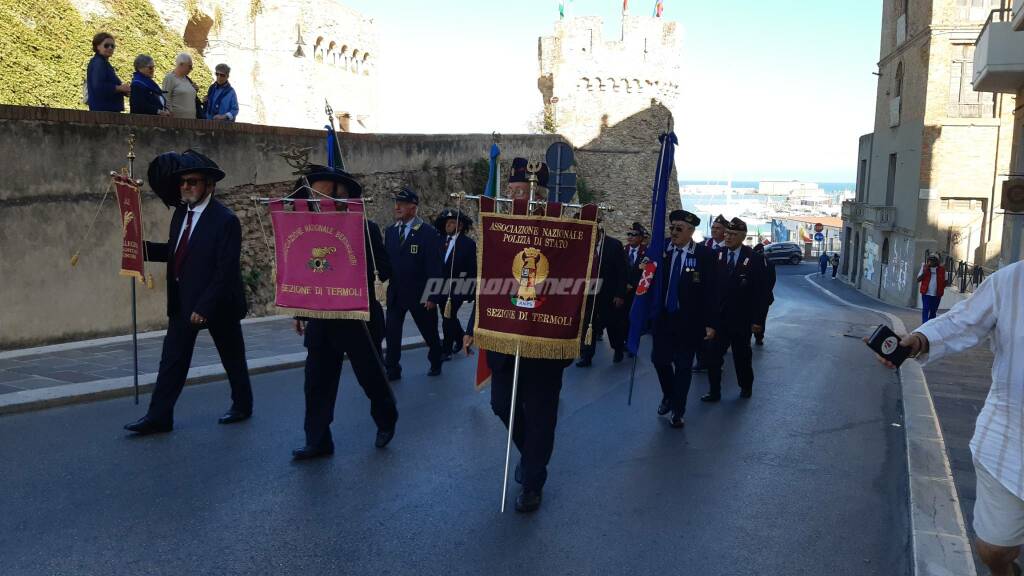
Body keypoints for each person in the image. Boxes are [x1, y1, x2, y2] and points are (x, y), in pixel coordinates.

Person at [874, 261, 1024, 576]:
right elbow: (963, 321)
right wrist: (920, 339)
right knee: (993, 548)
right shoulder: (1009, 281)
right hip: (1009, 440)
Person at [461, 159, 573, 513]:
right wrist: (471, 329)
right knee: (500, 404)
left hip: (544, 341)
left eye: (518, 193)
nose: (511, 198)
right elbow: (488, 282)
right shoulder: (499, 230)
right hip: (505, 338)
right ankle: (532, 455)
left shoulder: (563, 230)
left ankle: (533, 482)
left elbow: (573, 286)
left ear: (536, 195)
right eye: (509, 192)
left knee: (541, 413)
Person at [124, 150, 252, 435]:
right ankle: (159, 417)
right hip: (183, 301)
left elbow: (225, 270)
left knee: (232, 357)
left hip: (217, 303)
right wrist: (140, 249)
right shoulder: (181, 213)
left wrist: (205, 307)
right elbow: (177, 252)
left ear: (209, 185)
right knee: (172, 361)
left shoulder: (225, 220)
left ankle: (242, 405)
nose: (186, 187)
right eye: (183, 182)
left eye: (192, 182)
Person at [290, 165, 398, 460]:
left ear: (342, 196)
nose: (317, 199)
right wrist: (300, 311)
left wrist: (353, 274)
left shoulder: (366, 228)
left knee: (371, 377)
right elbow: (301, 274)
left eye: (323, 193)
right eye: (314, 193)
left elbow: (384, 270)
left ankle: (386, 419)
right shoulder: (306, 230)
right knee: (316, 383)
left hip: (358, 318)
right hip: (322, 320)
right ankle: (318, 440)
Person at [651, 210, 717, 427]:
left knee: (683, 366)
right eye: (672, 228)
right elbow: (644, 279)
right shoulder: (660, 251)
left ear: (690, 231)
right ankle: (669, 394)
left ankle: (678, 410)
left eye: (679, 228)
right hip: (663, 318)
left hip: (689, 321)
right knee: (659, 360)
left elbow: (711, 292)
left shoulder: (704, 256)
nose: (674, 232)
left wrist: (710, 323)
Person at [704, 217, 769, 402]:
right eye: (727, 233)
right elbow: (710, 289)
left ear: (742, 236)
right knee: (713, 357)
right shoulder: (717, 255)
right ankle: (714, 391)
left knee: (742, 357)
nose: (728, 237)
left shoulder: (754, 258)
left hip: (742, 319)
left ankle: (746, 386)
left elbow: (761, 293)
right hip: (719, 319)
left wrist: (758, 321)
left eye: (733, 234)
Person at [383, 187, 445, 380]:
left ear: (413, 207)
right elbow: (388, 261)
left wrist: (433, 295)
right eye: (396, 203)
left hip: (421, 295)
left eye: (401, 204)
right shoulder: (390, 232)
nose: (397, 207)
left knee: (430, 334)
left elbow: (435, 267)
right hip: (396, 294)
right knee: (392, 335)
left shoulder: (428, 233)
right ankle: (392, 368)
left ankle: (436, 360)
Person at [577, 225, 627, 367]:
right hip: (590, 292)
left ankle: (618, 349)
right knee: (588, 324)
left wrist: (620, 294)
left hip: (609, 293)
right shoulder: (584, 244)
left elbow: (622, 271)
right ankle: (586, 356)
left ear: (599, 231)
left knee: (612, 324)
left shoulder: (614, 245)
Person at [435, 208, 477, 358]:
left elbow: (472, 268)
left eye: (452, 223)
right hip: (439, 285)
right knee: (447, 315)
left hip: (458, 287)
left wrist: (470, 290)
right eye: (447, 223)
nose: (448, 225)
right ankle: (459, 337)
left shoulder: (468, 244)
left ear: (459, 226)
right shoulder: (439, 240)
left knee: (448, 316)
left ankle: (446, 350)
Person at [86, 32, 129, 112]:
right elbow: (98, 86)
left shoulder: (104, 63)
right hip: (103, 111)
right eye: (106, 45)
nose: (110, 48)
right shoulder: (98, 63)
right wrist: (120, 88)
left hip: (107, 110)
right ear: (98, 46)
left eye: (112, 46)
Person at [623, 222, 647, 357]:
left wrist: (633, 284)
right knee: (622, 320)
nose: (631, 237)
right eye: (629, 234)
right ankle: (623, 343)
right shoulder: (622, 250)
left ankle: (632, 345)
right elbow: (620, 271)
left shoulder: (646, 252)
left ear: (640, 238)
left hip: (638, 292)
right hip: (623, 292)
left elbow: (646, 274)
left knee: (635, 319)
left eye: (634, 235)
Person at [751, 243, 776, 346]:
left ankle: (758, 337)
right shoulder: (769, 263)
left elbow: (772, 281)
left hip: (761, 297)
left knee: (757, 317)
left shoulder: (767, 264)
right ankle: (759, 337)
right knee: (760, 318)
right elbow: (773, 281)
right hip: (763, 297)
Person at [163, 53, 200, 119]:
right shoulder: (170, 78)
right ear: (181, 64)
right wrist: (169, 114)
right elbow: (166, 98)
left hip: (191, 119)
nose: (191, 69)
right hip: (177, 121)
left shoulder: (187, 79)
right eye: (189, 66)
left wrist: (195, 90)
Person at [917, 253, 946, 325]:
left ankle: (930, 326)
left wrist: (940, 289)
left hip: (937, 295)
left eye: (933, 260)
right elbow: (918, 279)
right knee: (925, 309)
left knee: (933, 311)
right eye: (930, 260)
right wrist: (925, 271)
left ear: (937, 261)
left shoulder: (942, 270)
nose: (931, 262)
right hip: (926, 293)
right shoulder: (924, 267)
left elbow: (946, 281)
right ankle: (924, 325)